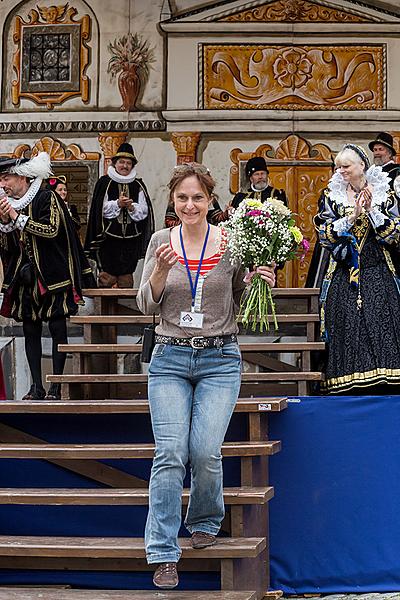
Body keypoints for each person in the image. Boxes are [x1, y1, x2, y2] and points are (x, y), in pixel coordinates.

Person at [137, 162, 276, 589]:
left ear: (210, 201)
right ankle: (163, 552)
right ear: (173, 201)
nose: (190, 204)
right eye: (182, 197)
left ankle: (204, 518)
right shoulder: (161, 241)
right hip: (170, 358)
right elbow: (144, 305)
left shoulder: (232, 241)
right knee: (170, 453)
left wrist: (259, 280)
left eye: (198, 197)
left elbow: (239, 297)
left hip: (219, 359)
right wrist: (159, 272)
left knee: (204, 450)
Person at [0, 153, 95, 400]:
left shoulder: (46, 196)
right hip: (25, 279)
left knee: (57, 329)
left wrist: (15, 218)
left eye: (5, 178)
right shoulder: (12, 205)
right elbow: (10, 246)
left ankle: (56, 386)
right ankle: (36, 386)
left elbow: (51, 230)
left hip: (53, 277)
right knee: (30, 331)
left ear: (22, 176)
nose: (3, 185)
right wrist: (5, 222)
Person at [315, 144, 400, 394]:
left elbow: (392, 235)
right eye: (338, 166)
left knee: (384, 313)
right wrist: (351, 218)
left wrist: (372, 212)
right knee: (345, 317)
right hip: (343, 272)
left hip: (378, 268)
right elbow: (325, 237)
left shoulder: (385, 193)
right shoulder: (332, 196)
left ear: (361, 166)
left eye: (346, 166)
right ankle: (347, 380)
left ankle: (387, 379)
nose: (340, 171)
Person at [84, 143, 154, 288]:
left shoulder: (138, 185)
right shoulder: (104, 182)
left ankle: (124, 309)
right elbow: (99, 209)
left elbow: (144, 211)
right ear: (115, 163)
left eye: (128, 163)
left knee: (126, 279)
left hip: (131, 238)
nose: (125, 166)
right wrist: (117, 204)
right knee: (106, 278)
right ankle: (102, 309)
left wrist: (130, 207)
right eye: (121, 162)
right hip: (108, 237)